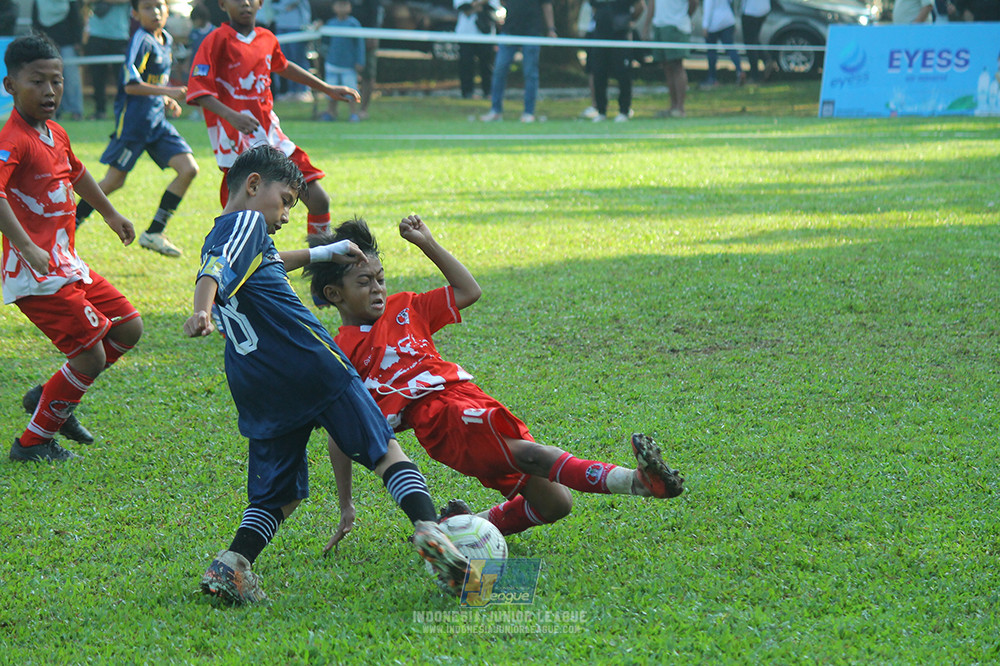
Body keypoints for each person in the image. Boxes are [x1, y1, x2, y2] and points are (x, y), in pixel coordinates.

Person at [184, 146, 476, 604]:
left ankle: (231, 566)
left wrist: (325, 249)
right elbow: (214, 271)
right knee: (385, 450)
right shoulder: (248, 223)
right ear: (254, 184)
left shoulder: (226, 232)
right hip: (309, 363)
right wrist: (201, 311)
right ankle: (431, 533)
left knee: (278, 495)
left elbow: (265, 260)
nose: (284, 216)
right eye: (285, 201)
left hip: (256, 382)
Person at [306, 216, 685, 546]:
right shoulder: (341, 351)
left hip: (469, 396)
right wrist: (346, 505)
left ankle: (462, 528)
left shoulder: (407, 306)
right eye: (363, 282)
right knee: (532, 455)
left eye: (380, 278)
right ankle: (639, 482)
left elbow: (469, 291)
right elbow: (341, 432)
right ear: (334, 294)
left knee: (556, 503)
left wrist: (428, 244)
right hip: (439, 418)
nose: (377, 289)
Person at [0, 34, 142, 463]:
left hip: (65, 263)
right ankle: (33, 442)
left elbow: (78, 175)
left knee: (128, 327)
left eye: (57, 81)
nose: (49, 91)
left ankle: (52, 396)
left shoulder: (55, 132)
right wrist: (25, 245)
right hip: (35, 273)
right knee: (90, 356)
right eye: (36, 81)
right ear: (10, 86)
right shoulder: (13, 139)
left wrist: (112, 214)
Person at [186, 0, 360, 236]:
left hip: (272, 138)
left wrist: (326, 88)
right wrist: (232, 116)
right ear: (223, 4)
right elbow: (199, 90)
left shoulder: (266, 38)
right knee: (244, 222)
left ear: (260, 4)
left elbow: (283, 65)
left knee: (319, 200)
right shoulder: (216, 40)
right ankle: (226, 264)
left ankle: (322, 268)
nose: (245, 3)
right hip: (238, 145)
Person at [75, 0, 198, 258]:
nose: (155, 12)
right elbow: (131, 85)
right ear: (134, 13)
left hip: (156, 123)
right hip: (133, 126)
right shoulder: (140, 40)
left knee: (188, 169)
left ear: (167, 10)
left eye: (159, 6)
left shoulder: (165, 39)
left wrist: (166, 100)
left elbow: (153, 81)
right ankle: (67, 228)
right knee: (112, 182)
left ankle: (154, 232)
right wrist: (169, 90)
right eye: (147, 7)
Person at [480, 0, 557, 123]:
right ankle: (495, 111)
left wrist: (551, 28)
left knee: (530, 73)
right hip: (509, 31)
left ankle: (528, 112)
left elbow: (547, 5)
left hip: (532, 32)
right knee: (499, 70)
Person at [589, 0, 644, 122]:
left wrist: (628, 21)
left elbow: (640, 6)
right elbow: (594, 8)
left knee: (623, 74)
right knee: (599, 73)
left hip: (620, 35)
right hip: (600, 35)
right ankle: (601, 111)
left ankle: (624, 110)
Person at [32, 0, 85, 121]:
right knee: (50, 80)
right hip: (46, 46)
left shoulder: (71, 2)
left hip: (68, 44)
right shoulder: (39, 2)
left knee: (72, 79)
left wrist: (78, 42)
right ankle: (54, 110)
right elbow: (35, 24)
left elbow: (76, 21)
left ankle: (76, 111)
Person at [644, 0, 696, 117]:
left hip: (676, 25)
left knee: (677, 65)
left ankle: (680, 108)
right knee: (666, 66)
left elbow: (694, 3)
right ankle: (673, 106)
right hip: (659, 24)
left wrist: (682, 17)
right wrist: (647, 25)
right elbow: (652, 3)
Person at [83, 0, 132, 121]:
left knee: (122, 77)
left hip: (120, 35)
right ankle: (100, 110)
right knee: (97, 77)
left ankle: (125, 110)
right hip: (96, 34)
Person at [321, 0, 364, 121]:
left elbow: (359, 45)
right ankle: (331, 112)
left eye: (345, 5)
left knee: (351, 90)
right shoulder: (330, 23)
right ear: (334, 7)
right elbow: (325, 43)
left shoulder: (354, 24)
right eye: (339, 5)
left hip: (348, 65)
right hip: (332, 64)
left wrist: (359, 61)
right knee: (331, 91)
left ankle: (353, 114)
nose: (342, 8)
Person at [454, 0, 498, 100]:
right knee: (466, 64)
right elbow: (462, 7)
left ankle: (488, 92)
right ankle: (467, 92)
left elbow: (493, 7)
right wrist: (479, 3)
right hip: (465, 34)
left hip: (485, 34)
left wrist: (473, 6)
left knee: (487, 65)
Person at [271, 0, 313, 102]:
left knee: (298, 58)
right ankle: (291, 91)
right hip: (281, 25)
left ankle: (303, 90)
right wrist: (282, 7)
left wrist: (282, 6)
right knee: (285, 59)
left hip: (298, 26)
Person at [700, 0, 743, 89]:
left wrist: (705, 26)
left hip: (714, 24)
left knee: (711, 52)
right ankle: (739, 70)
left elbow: (708, 8)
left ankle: (712, 78)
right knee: (730, 48)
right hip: (728, 20)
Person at [351, 0, 382, 119]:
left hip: (368, 37)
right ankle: (350, 110)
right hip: (348, 37)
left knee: (368, 74)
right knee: (345, 73)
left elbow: (376, 14)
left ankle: (363, 109)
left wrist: (373, 34)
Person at [740, 0, 771, 83]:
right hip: (764, 9)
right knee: (754, 39)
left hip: (750, 11)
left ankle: (754, 75)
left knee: (750, 44)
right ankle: (766, 60)